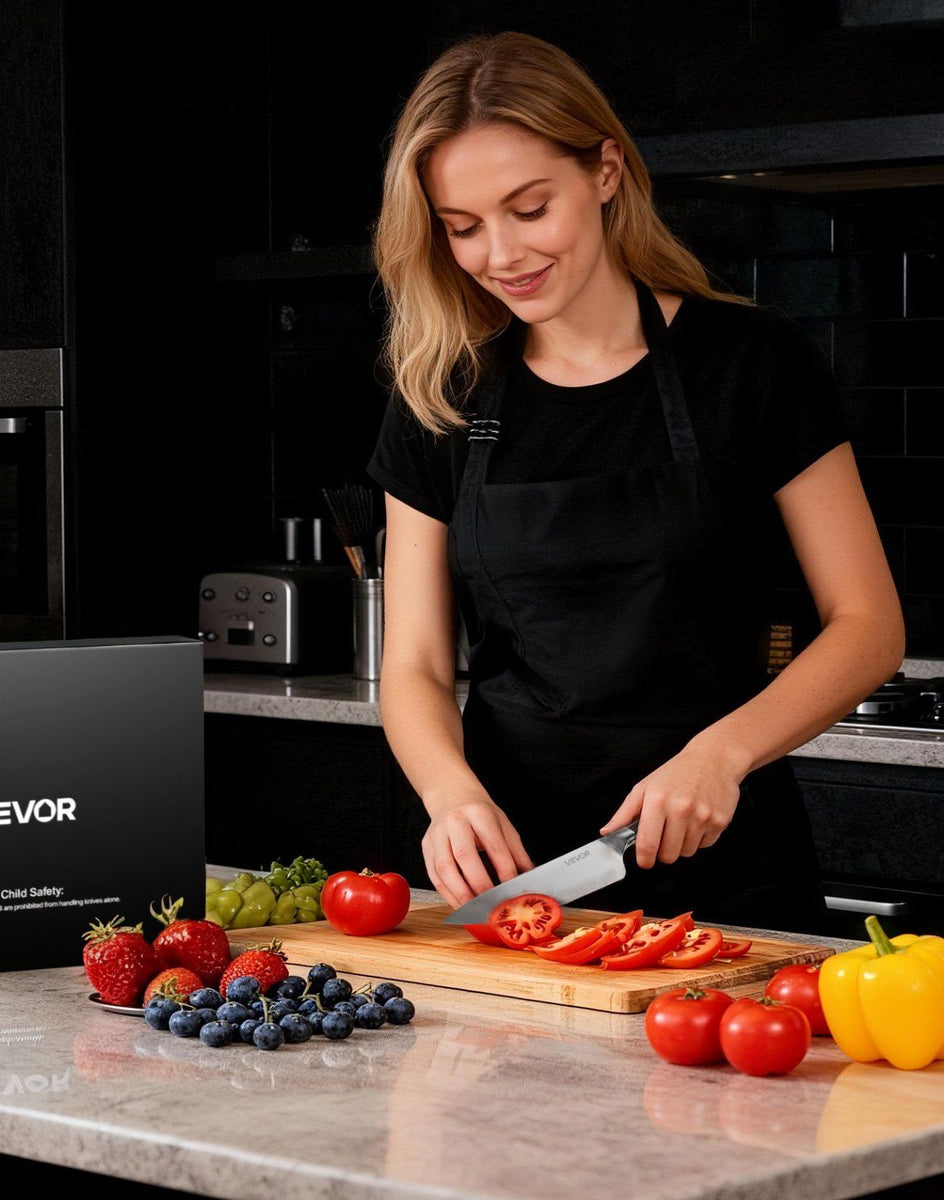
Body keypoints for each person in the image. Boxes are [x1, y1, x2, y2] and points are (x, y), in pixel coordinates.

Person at [365, 32, 905, 935]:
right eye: (463, 227)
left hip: (729, 870)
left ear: (606, 171)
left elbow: (869, 626)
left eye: (529, 209)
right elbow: (414, 662)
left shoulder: (752, 364)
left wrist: (722, 755)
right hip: (520, 882)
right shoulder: (443, 392)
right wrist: (449, 792)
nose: (500, 254)